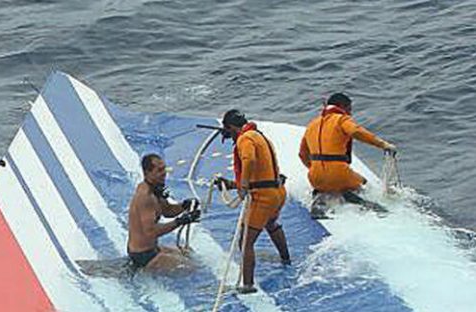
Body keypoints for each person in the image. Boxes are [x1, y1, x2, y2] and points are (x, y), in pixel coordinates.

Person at [214, 109, 292, 293]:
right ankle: (286, 259)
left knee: (245, 242)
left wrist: (243, 187)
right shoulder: (258, 135)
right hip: (277, 193)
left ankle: (247, 285)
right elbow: (261, 176)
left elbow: (249, 161)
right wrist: (232, 185)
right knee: (271, 224)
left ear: (232, 127)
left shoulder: (245, 139)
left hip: (264, 198)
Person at [298, 92, 396, 217]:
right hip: (339, 175)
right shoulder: (341, 119)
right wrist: (383, 144)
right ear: (342, 106)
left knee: (327, 186)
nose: (350, 113)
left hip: (314, 178)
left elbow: (302, 154)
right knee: (363, 182)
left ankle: (321, 197)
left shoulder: (312, 124)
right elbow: (355, 131)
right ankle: (350, 197)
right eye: (349, 109)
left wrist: (316, 169)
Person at [126, 153, 201, 272]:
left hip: (152, 248)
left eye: (164, 169)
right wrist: (180, 221)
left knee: (187, 253)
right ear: (147, 173)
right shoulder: (145, 197)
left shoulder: (155, 189)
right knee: (191, 268)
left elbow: (167, 211)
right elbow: (151, 232)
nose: (164, 173)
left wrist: (184, 205)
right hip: (143, 255)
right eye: (159, 170)